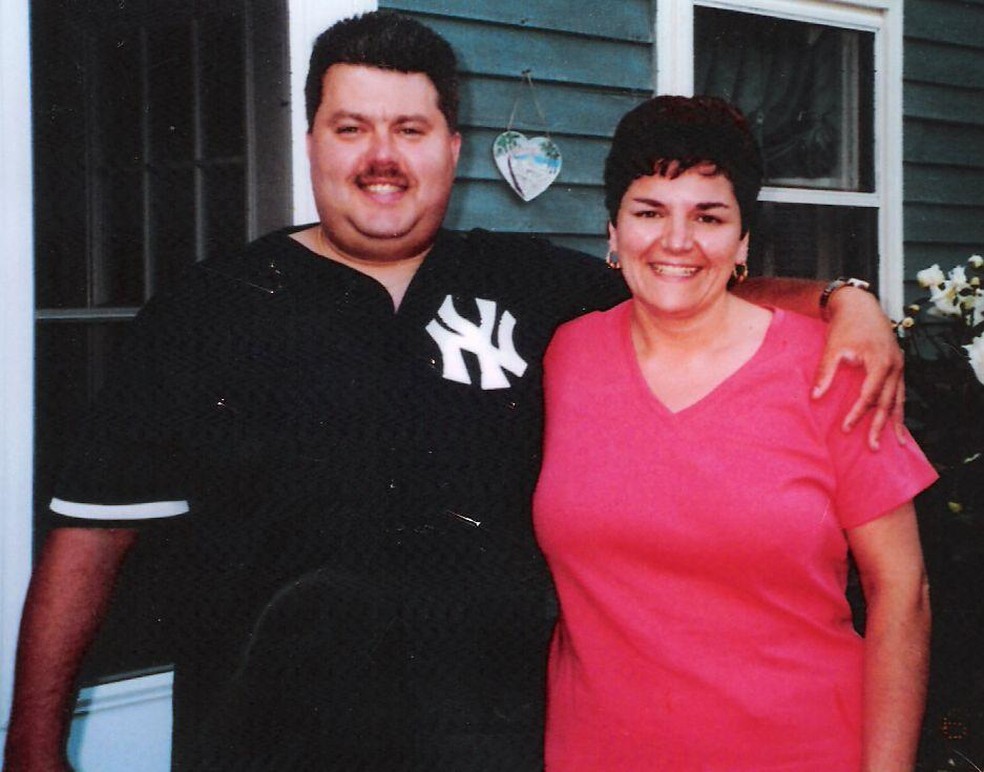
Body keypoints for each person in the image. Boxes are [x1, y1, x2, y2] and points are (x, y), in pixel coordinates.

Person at [5, 13, 904, 772]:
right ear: (310, 138)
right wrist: (32, 748)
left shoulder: (531, 287)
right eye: (352, 126)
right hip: (267, 743)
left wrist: (846, 300)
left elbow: (686, 282)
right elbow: (91, 536)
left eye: (411, 128)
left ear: (453, 147)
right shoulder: (207, 311)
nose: (381, 157)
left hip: (497, 743)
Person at [532, 95, 937, 771]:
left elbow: (904, 590)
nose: (678, 241)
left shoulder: (835, 367)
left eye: (709, 216)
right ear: (612, 229)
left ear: (744, 239)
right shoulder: (566, 356)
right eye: (649, 211)